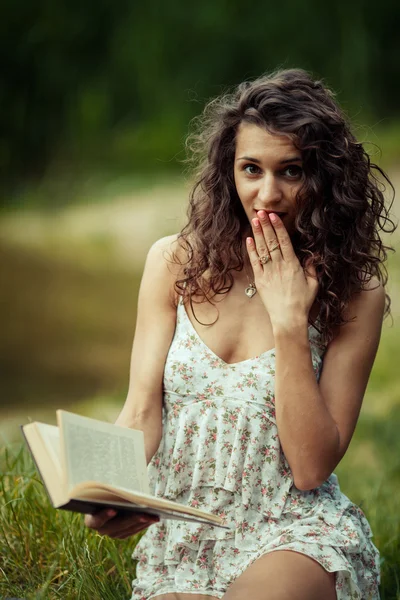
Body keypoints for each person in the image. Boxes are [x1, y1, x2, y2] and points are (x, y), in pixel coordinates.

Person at [85, 68, 396, 600]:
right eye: (251, 169)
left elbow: (310, 466)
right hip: (183, 536)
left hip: (292, 531)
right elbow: (141, 411)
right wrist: (106, 494)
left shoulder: (355, 294)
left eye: (290, 172)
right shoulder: (173, 262)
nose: (267, 193)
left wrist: (290, 322)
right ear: (228, 170)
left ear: (322, 178)